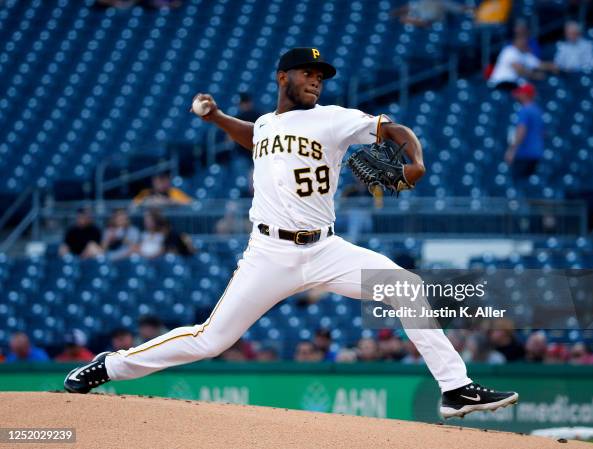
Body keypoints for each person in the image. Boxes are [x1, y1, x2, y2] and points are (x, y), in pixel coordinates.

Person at [65, 47, 518, 419]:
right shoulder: (266, 123)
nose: (317, 80)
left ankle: (455, 388)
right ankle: (112, 366)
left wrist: (415, 161)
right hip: (268, 254)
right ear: (283, 77)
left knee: (407, 285)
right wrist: (217, 117)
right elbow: (255, 135)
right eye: (308, 72)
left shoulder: (333, 118)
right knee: (211, 340)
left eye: (321, 75)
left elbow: (394, 129)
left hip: (325, 249)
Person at [489, 34, 557, 90]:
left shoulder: (526, 55)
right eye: (520, 39)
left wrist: (553, 66)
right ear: (515, 41)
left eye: (525, 39)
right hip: (500, 84)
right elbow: (519, 70)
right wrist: (535, 75)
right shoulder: (510, 50)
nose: (523, 42)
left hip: (513, 85)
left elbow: (540, 65)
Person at [505, 83, 544, 180]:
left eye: (520, 93)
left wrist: (512, 150)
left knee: (519, 183)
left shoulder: (525, 110)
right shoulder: (537, 110)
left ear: (526, 95)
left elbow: (521, 131)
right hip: (536, 152)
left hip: (524, 153)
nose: (517, 96)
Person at [392, 0, 469, 28]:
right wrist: (393, 14)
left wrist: (408, 21)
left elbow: (426, 24)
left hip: (435, 23)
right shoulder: (421, 3)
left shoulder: (443, 3)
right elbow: (409, 7)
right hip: (420, 18)